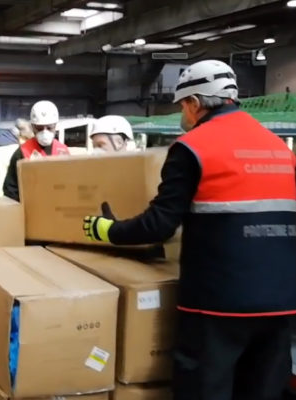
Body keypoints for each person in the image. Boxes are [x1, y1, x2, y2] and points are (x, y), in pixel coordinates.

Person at [83, 59, 296, 400]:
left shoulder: (193, 147)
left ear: (195, 102)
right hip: (282, 303)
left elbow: (160, 224)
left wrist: (108, 231)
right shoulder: (278, 148)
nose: (183, 113)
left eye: (183, 105)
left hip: (218, 305)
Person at [3, 100, 70, 201]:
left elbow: (71, 184)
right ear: (33, 127)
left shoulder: (63, 151)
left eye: (49, 128)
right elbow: (10, 190)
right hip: (31, 206)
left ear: (55, 126)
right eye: (39, 128)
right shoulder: (22, 153)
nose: (45, 132)